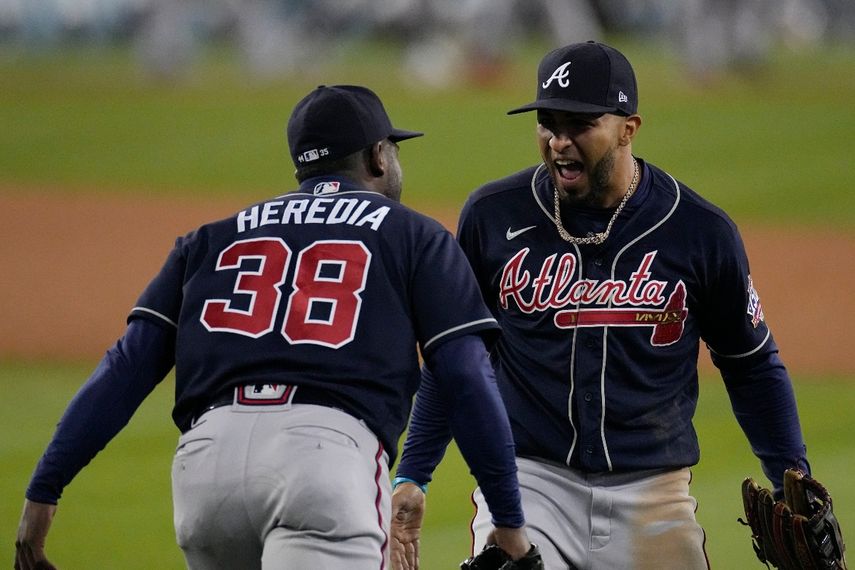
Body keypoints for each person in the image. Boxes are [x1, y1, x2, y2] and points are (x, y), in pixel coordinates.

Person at [14, 84, 535, 569]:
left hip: (205, 470)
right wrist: (510, 521)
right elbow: (466, 375)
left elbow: (126, 367)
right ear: (379, 155)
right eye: (393, 150)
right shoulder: (414, 234)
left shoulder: (210, 238)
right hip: (324, 459)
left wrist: (44, 491)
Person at [390, 41, 811, 569]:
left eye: (579, 125)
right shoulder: (493, 216)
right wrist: (413, 474)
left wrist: (794, 478)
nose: (559, 141)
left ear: (628, 128)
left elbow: (751, 366)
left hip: (654, 495)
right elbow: (454, 359)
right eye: (547, 122)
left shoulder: (700, 231)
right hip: (529, 487)